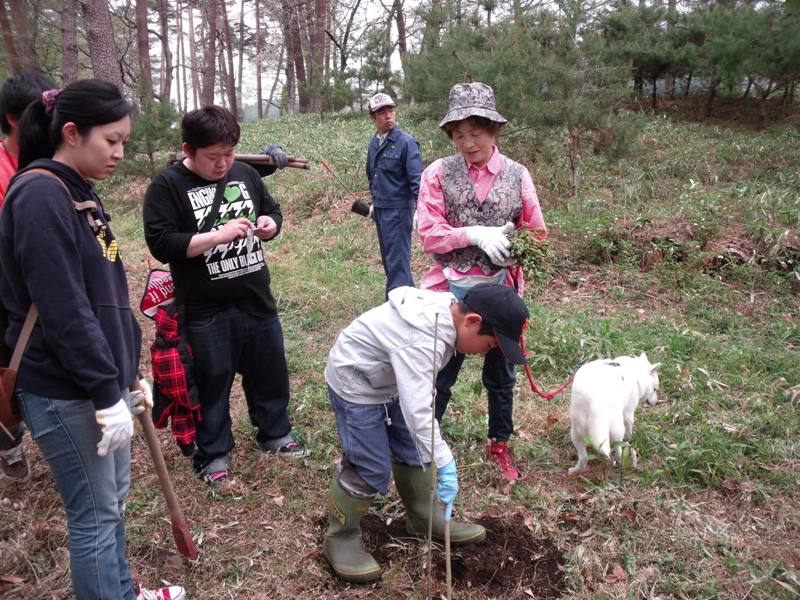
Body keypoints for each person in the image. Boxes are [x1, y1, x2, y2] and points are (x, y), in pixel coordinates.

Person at [0, 79, 185, 600]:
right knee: (95, 515)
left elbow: (103, 293)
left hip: (100, 379)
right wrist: (106, 393)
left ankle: (120, 589)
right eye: (112, 140)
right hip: (66, 388)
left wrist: (127, 367)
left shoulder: (76, 189)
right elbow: (62, 308)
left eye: (125, 141)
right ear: (73, 132)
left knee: (112, 503)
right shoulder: (40, 194)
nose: (121, 153)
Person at [143, 105, 306, 487]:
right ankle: (213, 453)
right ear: (188, 149)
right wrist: (217, 235)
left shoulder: (245, 173)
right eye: (213, 157)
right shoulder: (167, 186)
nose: (222, 164)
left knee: (269, 371)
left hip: (255, 295)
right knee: (212, 382)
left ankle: (275, 432)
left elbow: (271, 210)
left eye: (228, 154)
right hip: (205, 308)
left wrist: (271, 225)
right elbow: (162, 243)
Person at [323, 283, 530, 583]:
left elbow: (417, 397)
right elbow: (419, 409)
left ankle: (422, 519)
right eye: (488, 346)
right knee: (369, 467)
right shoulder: (421, 339)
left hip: (391, 381)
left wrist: (432, 449)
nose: (484, 354)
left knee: (416, 446)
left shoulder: (447, 317)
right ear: (471, 321)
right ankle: (340, 537)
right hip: (357, 382)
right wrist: (445, 463)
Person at [417, 82, 548, 483]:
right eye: (459, 134)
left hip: (500, 291)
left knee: (501, 374)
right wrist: (472, 234)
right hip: (448, 292)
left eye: (475, 133)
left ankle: (500, 444)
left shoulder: (517, 176)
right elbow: (429, 233)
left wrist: (515, 247)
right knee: (439, 372)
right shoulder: (438, 173)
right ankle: (422, 445)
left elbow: (536, 232)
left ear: (493, 131)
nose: (467, 142)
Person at [0, 72, 55, 481]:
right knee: (6, 369)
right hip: (7, 288)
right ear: (13, 119)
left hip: (47, 285)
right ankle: (9, 440)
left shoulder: (56, 161)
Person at [365, 92, 423, 296]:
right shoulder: (375, 143)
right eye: (381, 112)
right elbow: (372, 175)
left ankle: (399, 305)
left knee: (398, 262)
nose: (388, 115)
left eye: (390, 110)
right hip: (381, 211)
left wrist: (420, 210)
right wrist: (375, 202)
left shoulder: (406, 143)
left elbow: (417, 181)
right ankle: (401, 302)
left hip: (399, 212)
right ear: (373, 118)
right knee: (390, 260)